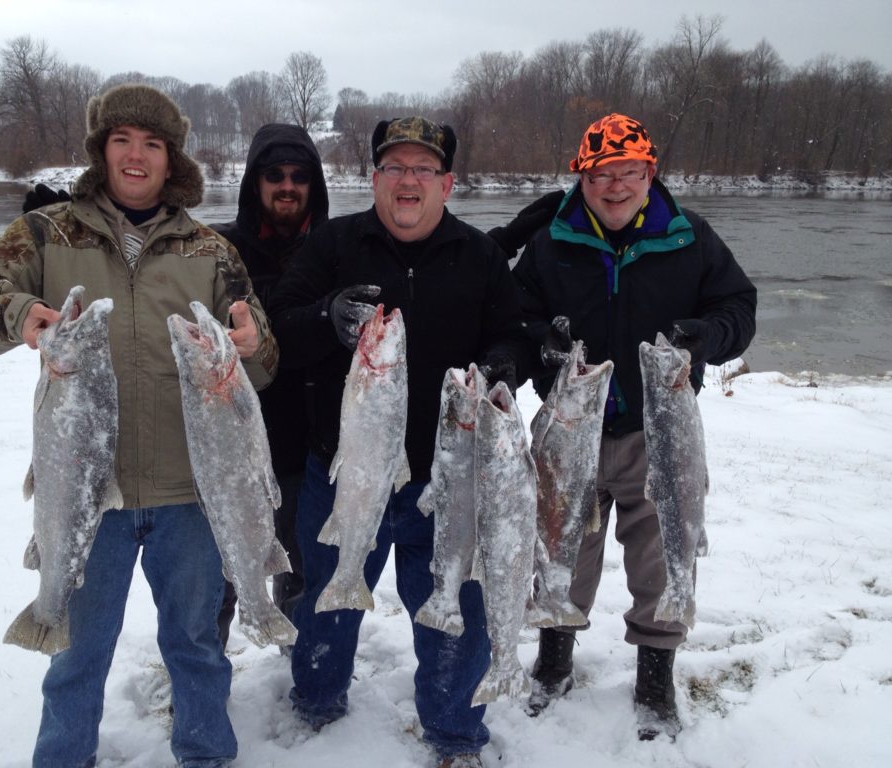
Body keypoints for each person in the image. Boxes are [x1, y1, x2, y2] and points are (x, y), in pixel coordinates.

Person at [0, 83, 278, 768]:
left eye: (151, 143)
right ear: (102, 150)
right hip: (84, 499)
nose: (136, 155)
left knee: (196, 649)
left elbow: (263, 361)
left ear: (170, 157)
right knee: (77, 655)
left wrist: (252, 345)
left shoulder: (211, 250)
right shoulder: (46, 232)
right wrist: (15, 316)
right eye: (122, 140)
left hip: (191, 494)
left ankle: (206, 755)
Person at [268, 116, 529, 768]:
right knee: (328, 600)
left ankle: (454, 733)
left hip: (447, 481)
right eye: (394, 168)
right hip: (344, 472)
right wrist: (328, 317)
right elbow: (278, 334)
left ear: (447, 182)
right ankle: (317, 702)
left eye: (422, 170)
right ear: (375, 178)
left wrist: (501, 365)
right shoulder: (333, 245)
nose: (407, 181)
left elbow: (513, 334)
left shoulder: (480, 256)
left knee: (454, 616)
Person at [491, 113, 757, 740]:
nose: (615, 186)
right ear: (581, 178)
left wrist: (705, 338)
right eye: (601, 174)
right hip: (566, 426)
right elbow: (517, 318)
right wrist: (531, 347)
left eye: (628, 173)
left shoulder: (689, 238)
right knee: (558, 544)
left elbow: (738, 308)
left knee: (662, 550)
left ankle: (656, 676)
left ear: (650, 173)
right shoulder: (551, 244)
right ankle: (554, 660)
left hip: (656, 432)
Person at [211, 123, 329, 648]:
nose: (287, 185)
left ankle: (301, 662)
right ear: (255, 182)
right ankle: (203, 672)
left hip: (310, 447)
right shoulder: (216, 250)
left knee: (304, 570)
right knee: (216, 576)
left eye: (299, 176)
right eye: (275, 175)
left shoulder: (334, 249)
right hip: (230, 448)